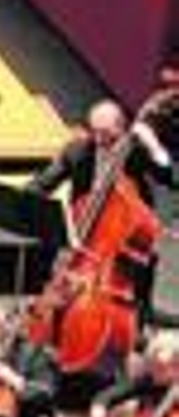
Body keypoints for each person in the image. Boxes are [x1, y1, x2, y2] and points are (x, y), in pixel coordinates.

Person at [26, 99, 176, 375]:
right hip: (84, 242)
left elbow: (170, 177)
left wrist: (154, 146)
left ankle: (134, 363)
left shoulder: (136, 150)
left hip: (124, 247)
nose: (99, 140)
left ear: (122, 128)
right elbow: (45, 182)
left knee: (132, 320)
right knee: (59, 286)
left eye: (106, 134)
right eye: (94, 131)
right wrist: (26, 199)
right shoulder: (79, 149)